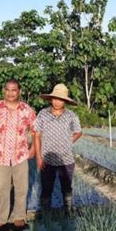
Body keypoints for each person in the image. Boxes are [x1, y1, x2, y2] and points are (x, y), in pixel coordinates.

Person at [0, 79, 36, 231]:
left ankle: (19, 218)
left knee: (22, 188)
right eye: (8, 90)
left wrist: (33, 149)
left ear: (19, 91)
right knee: (1, 188)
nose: (11, 93)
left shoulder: (26, 110)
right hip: (0, 155)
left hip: (20, 155)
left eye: (14, 90)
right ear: (3, 90)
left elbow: (36, 131)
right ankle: (0, 220)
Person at [34, 84, 82, 213]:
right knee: (46, 187)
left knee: (67, 188)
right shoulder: (43, 114)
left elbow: (78, 132)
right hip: (47, 158)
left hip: (66, 159)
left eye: (60, 99)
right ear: (51, 99)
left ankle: (68, 211)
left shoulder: (71, 116)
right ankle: (45, 214)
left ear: (65, 101)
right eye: (55, 98)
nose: (57, 101)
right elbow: (37, 135)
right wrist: (38, 157)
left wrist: (69, 141)